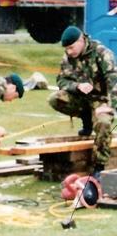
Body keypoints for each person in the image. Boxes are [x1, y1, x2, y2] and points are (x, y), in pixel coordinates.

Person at [48, 26, 116, 177]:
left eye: (71, 48)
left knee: (103, 123)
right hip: (82, 98)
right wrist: (76, 86)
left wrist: (110, 107)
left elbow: (114, 82)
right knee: (55, 99)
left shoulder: (102, 54)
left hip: (101, 100)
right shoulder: (68, 57)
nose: (69, 52)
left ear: (81, 40)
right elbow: (61, 80)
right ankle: (86, 119)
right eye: (66, 49)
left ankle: (99, 166)